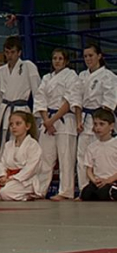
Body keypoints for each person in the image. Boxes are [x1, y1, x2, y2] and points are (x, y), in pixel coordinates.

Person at [71, 44, 117, 192]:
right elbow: (76, 99)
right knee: (82, 156)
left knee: (102, 156)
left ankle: (106, 185)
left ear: (99, 56)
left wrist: (99, 123)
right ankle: (85, 190)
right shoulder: (82, 75)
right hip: (84, 119)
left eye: (91, 55)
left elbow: (109, 102)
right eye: (85, 56)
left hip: (100, 119)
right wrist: (78, 120)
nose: (88, 59)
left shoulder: (108, 76)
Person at [34, 48, 78, 201]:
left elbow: (69, 100)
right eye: (54, 58)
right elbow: (40, 99)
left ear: (66, 61)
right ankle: (40, 190)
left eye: (60, 58)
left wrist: (52, 120)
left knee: (66, 158)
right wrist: (46, 120)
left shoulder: (71, 76)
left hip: (65, 120)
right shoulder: (46, 78)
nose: (57, 61)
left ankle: (66, 191)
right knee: (45, 157)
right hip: (48, 120)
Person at [0, 37, 40, 152]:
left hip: (21, 109)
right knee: (2, 145)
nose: (9, 55)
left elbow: (37, 92)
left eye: (13, 52)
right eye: (7, 52)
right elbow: (0, 96)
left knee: (21, 144)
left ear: (19, 52)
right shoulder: (1, 70)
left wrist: (38, 116)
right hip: (4, 111)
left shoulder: (28, 66)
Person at [0, 111, 42, 201]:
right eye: (11, 124)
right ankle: (14, 191)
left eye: (18, 124)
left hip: (25, 180)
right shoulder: (8, 145)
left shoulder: (33, 145)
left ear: (27, 126)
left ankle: (28, 195)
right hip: (8, 178)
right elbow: (2, 163)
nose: (14, 127)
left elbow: (31, 168)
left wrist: (12, 178)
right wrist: (3, 176)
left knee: (6, 193)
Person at [80, 108, 117, 201]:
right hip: (98, 181)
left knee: (104, 193)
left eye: (102, 124)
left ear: (111, 126)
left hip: (113, 181)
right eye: (95, 124)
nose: (98, 128)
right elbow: (89, 169)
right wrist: (95, 180)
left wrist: (108, 180)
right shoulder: (92, 147)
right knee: (86, 193)